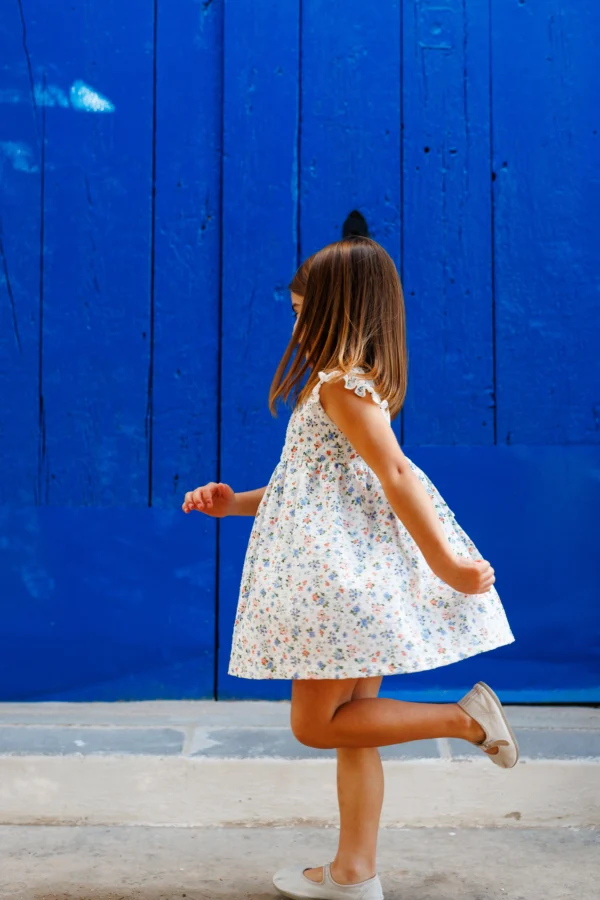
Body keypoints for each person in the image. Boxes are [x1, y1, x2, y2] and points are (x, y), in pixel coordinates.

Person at [183, 237, 517, 900]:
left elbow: (395, 474)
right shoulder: (340, 388)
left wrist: (448, 565)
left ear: (340, 311)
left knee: (315, 723)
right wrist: (236, 504)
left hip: (338, 588)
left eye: (304, 311)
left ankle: (467, 719)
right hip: (351, 580)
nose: (297, 325)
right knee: (356, 725)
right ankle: (354, 872)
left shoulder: (341, 386)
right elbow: (310, 486)